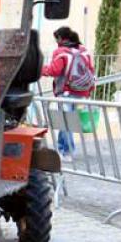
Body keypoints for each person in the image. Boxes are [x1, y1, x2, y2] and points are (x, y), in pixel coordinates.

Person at [40, 26, 96, 158]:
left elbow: (54, 71)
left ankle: (67, 152)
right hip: (82, 91)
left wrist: (39, 69)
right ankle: (62, 148)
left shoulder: (61, 52)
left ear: (60, 38)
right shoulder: (84, 51)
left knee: (65, 122)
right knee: (67, 121)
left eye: (56, 39)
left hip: (66, 91)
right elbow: (91, 70)